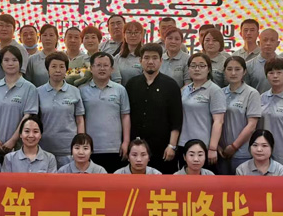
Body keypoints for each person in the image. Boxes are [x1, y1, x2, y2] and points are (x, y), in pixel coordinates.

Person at [126, 43, 183, 174]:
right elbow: (126, 116)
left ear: (161, 60)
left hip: (163, 148)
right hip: (136, 148)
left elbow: (176, 120)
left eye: (154, 58)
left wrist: (172, 145)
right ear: (140, 60)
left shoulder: (171, 85)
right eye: (146, 58)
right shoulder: (131, 84)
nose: (150, 61)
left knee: (162, 183)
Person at [57, 132, 106, 216]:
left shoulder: (100, 171)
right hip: (69, 211)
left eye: (85, 148)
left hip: (92, 213)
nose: (81, 152)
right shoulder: (63, 171)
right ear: (71, 150)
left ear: (92, 151)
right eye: (77, 148)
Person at [79, 52, 130, 173]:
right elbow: (80, 119)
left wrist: (126, 142)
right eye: (98, 65)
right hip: (90, 148)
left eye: (106, 65)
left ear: (112, 69)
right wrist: (82, 144)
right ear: (91, 68)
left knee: (113, 183)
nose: (102, 68)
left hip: (115, 148)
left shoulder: (120, 90)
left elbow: (125, 116)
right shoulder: (82, 90)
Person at [0, 45, 39, 158]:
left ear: (20, 63)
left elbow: (27, 117)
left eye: (14, 60)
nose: (10, 63)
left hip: (19, 146)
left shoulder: (30, 88)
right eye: (6, 60)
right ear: (1, 63)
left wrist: (13, 140)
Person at [178, 52, 225, 170]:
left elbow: (218, 121)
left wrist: (213, 148)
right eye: (193, 66)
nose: (197, 69)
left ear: (208, 69)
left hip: (204, 146)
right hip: (183, 143)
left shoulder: (214, 90)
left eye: (202, 66)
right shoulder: (185, 89)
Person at [38, 52, 85, 166]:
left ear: (66, 69)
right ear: (47, 69)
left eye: (61, 66)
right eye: (53, 66)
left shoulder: (75, 91)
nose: (58, 70)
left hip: (69, 149)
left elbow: (80, 120)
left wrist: (80, 144)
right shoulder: (38, 92)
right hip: (44, 149)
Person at [218, 56, 261, 175]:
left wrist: (234, 146)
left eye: (237, 69)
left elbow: (252, 125)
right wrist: (217, 146)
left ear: (244, 71)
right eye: (229, 69)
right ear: (224, 71)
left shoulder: (252, 93)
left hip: (242, 153)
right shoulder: (220, 93)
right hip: (221, 152)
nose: (233, 73)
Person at [245, 28, 283, 93]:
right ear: (259, 43)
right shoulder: (248, 65)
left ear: (277, 43)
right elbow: (246, 90)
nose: (268, 43)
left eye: (272, 40)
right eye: (265, 40)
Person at [0, 14, 30, 87]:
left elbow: (20, 77)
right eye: (1, 25)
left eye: (8, 26)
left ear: (14, 29)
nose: (4, 29)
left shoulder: (20, 49)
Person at [116, 21, 145, 85]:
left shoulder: (146, 56)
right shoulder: (118, 57)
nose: (133, 35)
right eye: (129, 32)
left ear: (141, 35)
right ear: (124, 35)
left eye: (136, 32)